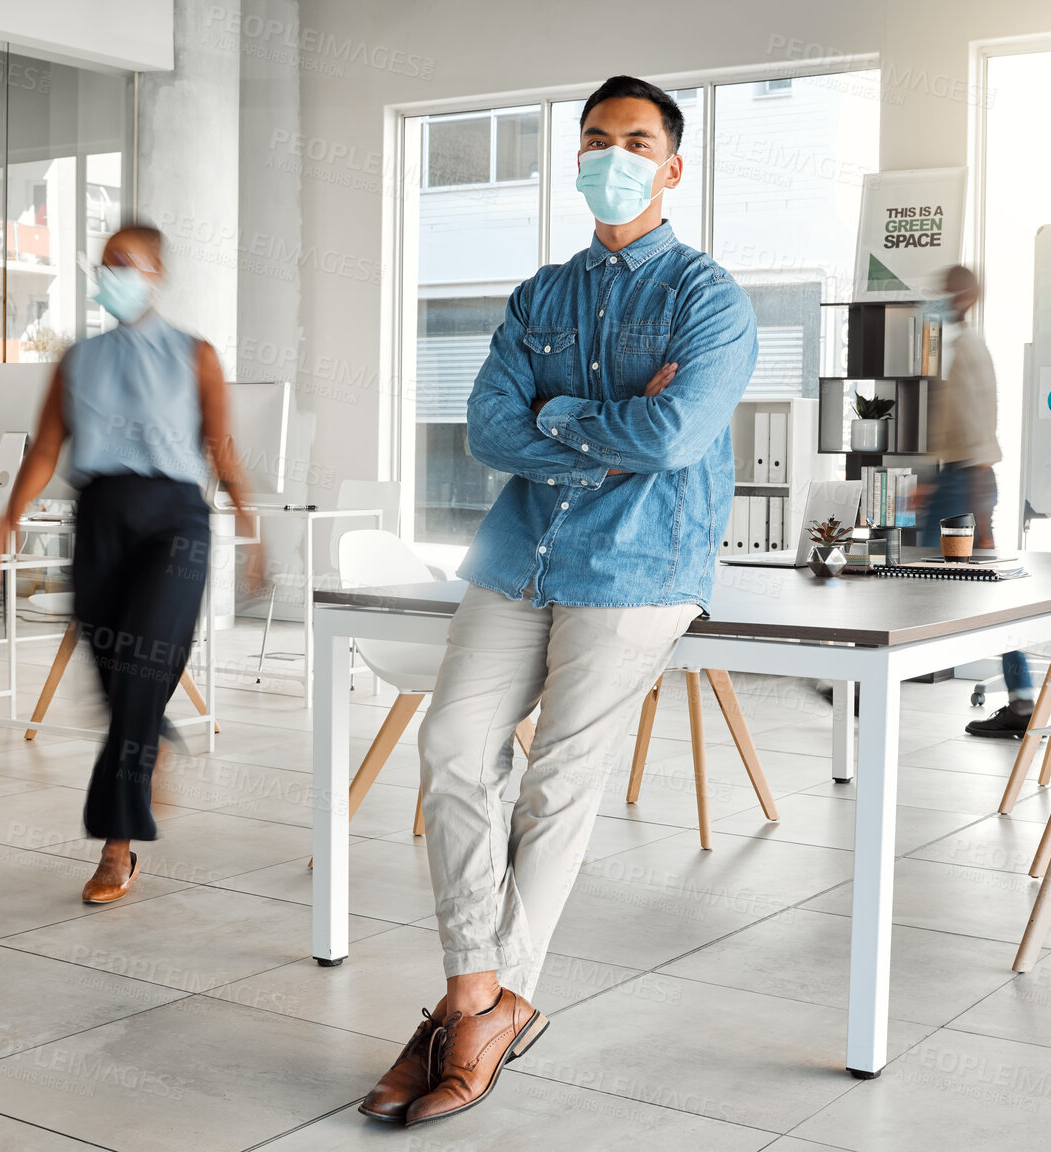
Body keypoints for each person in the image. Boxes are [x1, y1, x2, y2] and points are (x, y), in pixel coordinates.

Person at [359, 76, 756, 1129]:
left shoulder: (708, 298)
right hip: (518, 555)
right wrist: (612, 412)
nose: (610, 154)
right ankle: (488, 1003)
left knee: (562, 781)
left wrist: (559, 409)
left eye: (634, 140)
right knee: (450, 745)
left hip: (638, 566)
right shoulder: (540, 294)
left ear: (672, 167)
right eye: (593, 138)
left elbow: (674, 440)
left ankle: (460, 1011)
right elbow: (486, 432)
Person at [0, 223, 258, 903]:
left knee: (142, 667)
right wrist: (10, 513)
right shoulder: (77, 361)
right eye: (103, 263)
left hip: (175, 523)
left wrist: (252, 520)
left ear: (155, 273)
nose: (109, 273)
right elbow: (47, 449)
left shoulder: (194, 354)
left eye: (125, 264)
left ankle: (117, 846)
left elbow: (220, 445)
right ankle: (157, 739)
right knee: (112, 676)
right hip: (100, 519)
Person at [917, 265, 1035, 738]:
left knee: (918, 581)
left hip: (964, 481)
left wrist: (965, 497)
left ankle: (1023, 700)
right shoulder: (962, 345)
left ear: (969, 295)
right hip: (961, 478)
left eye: (948, 292)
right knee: (921, 580)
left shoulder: (964, 348)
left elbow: (970, 426)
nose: (941, 300)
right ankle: (1022, 699)